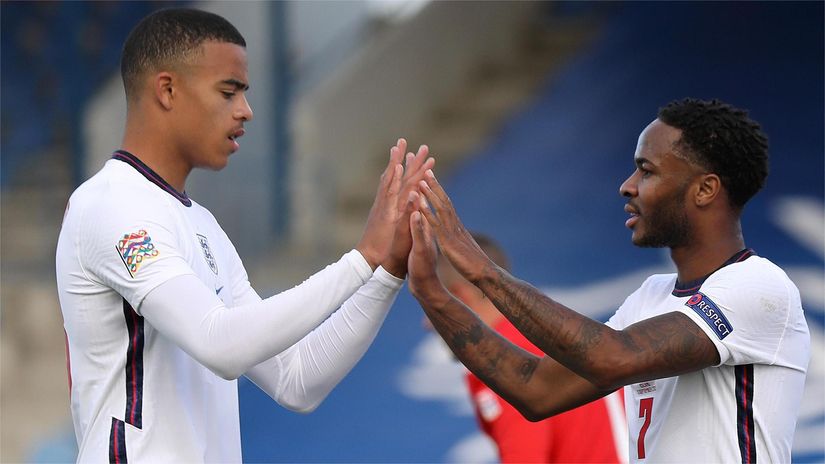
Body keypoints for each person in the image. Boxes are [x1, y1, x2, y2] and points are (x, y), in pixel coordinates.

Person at [55, 8, 433, 462]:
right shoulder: (111, 204)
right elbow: (221, 345)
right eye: (228, 91)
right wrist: (361, 259)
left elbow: (298, 380)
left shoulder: (203, 226)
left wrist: (386, 269)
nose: (246, 111)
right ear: (168, 90)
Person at [407, 98, 810, 463]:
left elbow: (611, 358)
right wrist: (433, 296)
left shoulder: (759, 286)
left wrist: (482, 271)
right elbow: (536, 390)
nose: (627, 185)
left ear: (705, 189)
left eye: (646, 170)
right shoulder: (650, 296)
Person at [435, 232, 627, 463]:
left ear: (460, 297)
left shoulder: (501, 359)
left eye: (431, 305)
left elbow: (525, 458)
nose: (427, 323)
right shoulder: (550, 336)